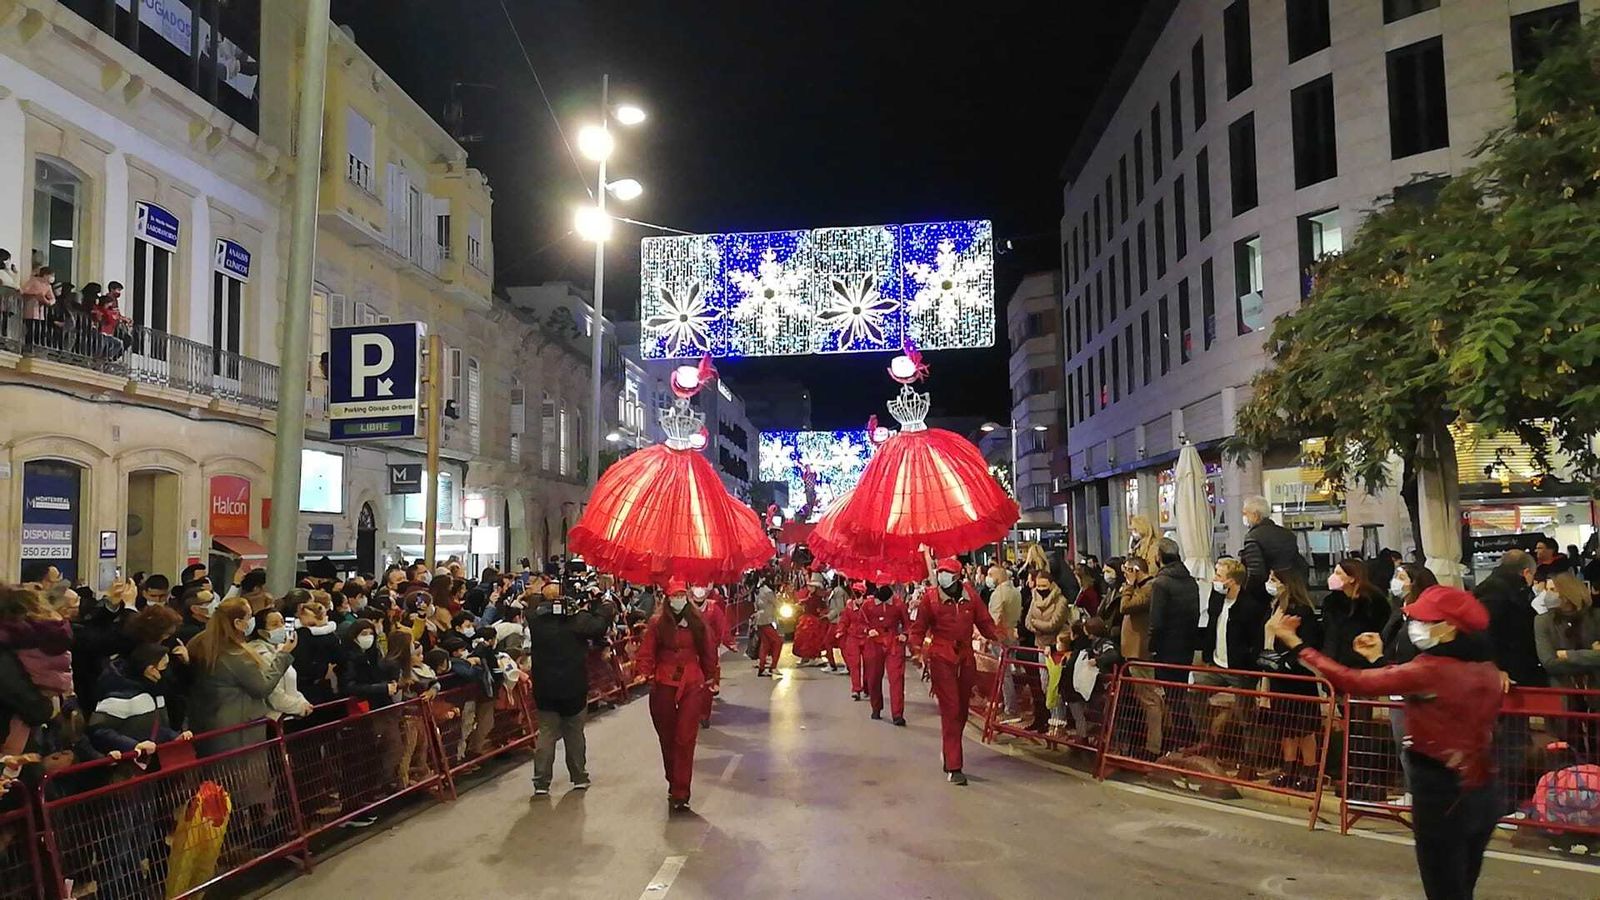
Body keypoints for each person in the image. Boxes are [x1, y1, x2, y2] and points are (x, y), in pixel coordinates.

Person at [1267, 586, 1502, 900]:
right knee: (1462, 883)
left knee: (1443, 885)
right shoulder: (1486, 670)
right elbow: (1415, 686)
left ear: (1449, 628)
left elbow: (1352, 680)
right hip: (1482, 789)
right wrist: (1380, 659)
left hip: (1441, 790)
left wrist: (1296, 644)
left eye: (1426, 620)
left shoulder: (1431, 669)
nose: (1416, 625)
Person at [909, 555, 999, 785]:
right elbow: (918, 628)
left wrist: (1001, 636)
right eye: (939, 572)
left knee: (961, 711)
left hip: (966, 659)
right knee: (951, 709)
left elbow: (984, 621)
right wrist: (916, 649)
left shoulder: (970, 596)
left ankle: (949, 753)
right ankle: (954, 765)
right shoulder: (931, 598)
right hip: (941, 658)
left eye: (946, 572)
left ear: (958, 576)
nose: (942, 576)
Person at [633, 578, 719, 811]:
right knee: (667, 737)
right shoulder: (656, 623)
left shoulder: (698, 622)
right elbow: (647, 652)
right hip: (663, 683)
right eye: (675, 596)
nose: (679, 600)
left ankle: (682, 790)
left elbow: (708, 650)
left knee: (685, 737)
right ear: (668, 598)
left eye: (682, 595)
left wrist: (711, 677)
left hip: (691, 682)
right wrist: (643, 672)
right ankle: (673, 781)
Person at [186, 598, 295, 755]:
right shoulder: (237, 655)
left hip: (209, 724)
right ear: (237, 623)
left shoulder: (201, 643)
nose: (252, 621)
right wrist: (283, 655)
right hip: (239, 730)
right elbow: (261, 687)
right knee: (241, 775)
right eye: (249, 617)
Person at [1186, 558, 1267, 756]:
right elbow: (1212, 625)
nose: (1214, 579)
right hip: (1216, 663)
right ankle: (1206, 739)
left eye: (1219, 576)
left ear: (1231, 581)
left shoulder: (1250, 607)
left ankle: (1250, 758)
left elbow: (1256, 641)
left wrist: (1251, 671)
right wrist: (1207, 656)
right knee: (1194, 693)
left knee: (1246, 714)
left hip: (1240, 668)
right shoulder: (1217, 598)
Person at [1261, 570, 1325, 790]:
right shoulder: (1274, 607)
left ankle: (1310, 772)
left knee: (1304, 726)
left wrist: (1288, 661)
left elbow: (1308, 641)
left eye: (1275, 579)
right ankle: (1288, 769)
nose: (1270, 583)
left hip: (1297, 675)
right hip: (1276, 672)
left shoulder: (1301, 610)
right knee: (1285, 725)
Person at [1474, 550, 1547, 692]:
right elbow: (1486, 632)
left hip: (1508, 665)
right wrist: (1495, 667)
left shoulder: (1491, 587)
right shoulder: (1501, 592)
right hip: (1506, 670)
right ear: (1526, 573)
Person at [1321, 558, 1391, 670]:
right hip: (1334, 661)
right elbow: (1329, 633)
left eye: (1338, 573)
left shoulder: (1374, 602)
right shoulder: (1331, 602)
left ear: (1352, 578)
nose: (1333, 577)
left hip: (1363, 662)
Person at [1238, 495, 1309, 601]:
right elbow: (1298, 563)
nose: (1244, 517)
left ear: (1256, 515)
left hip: (1266, 594)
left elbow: (1256, 573)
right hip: (1293, 590)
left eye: (1245, 513)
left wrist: (1245, 594)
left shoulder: (1253, 537)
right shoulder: (1287, 534)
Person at [245, 610, 312, 719]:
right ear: (262, 632)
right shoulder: (260, 654)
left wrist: (303, 702)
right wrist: (298, 707)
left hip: (292, 714)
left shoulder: (281, 648)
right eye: (275, 624)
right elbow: (274, 696)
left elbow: (290, 685)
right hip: (275, 719)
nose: (281, 627)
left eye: (282, 622)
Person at [984, 563, 1022, 721]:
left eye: (991, 575)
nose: (989, 578)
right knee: (1012, 672)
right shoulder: (1015, 591)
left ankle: (1010, 706)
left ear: (998, 576)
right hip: (1014, 635)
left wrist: (989, 636)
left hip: (1001, 638)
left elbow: (995, 618)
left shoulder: (998, 594)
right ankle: (1008, 702)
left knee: (1004, 674)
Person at [837, 583, 870, 700]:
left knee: (869, 664)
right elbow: (844, 621)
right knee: (854, 664)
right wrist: (840, 630)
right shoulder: (849, 607)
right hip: (853, 638)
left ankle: (867, 687)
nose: (857, 597)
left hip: (867, 638)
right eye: (855, 594)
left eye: (859, 594)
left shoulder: (868, 607)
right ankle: (856, 689)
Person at [752, 577, 783, 677]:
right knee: (778, 642)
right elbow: (777, 604)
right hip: (766, 620)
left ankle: (762, 668)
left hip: (760, 620)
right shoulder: (768, 592)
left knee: (765, 645)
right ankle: (773, 667)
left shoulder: (760, 591)